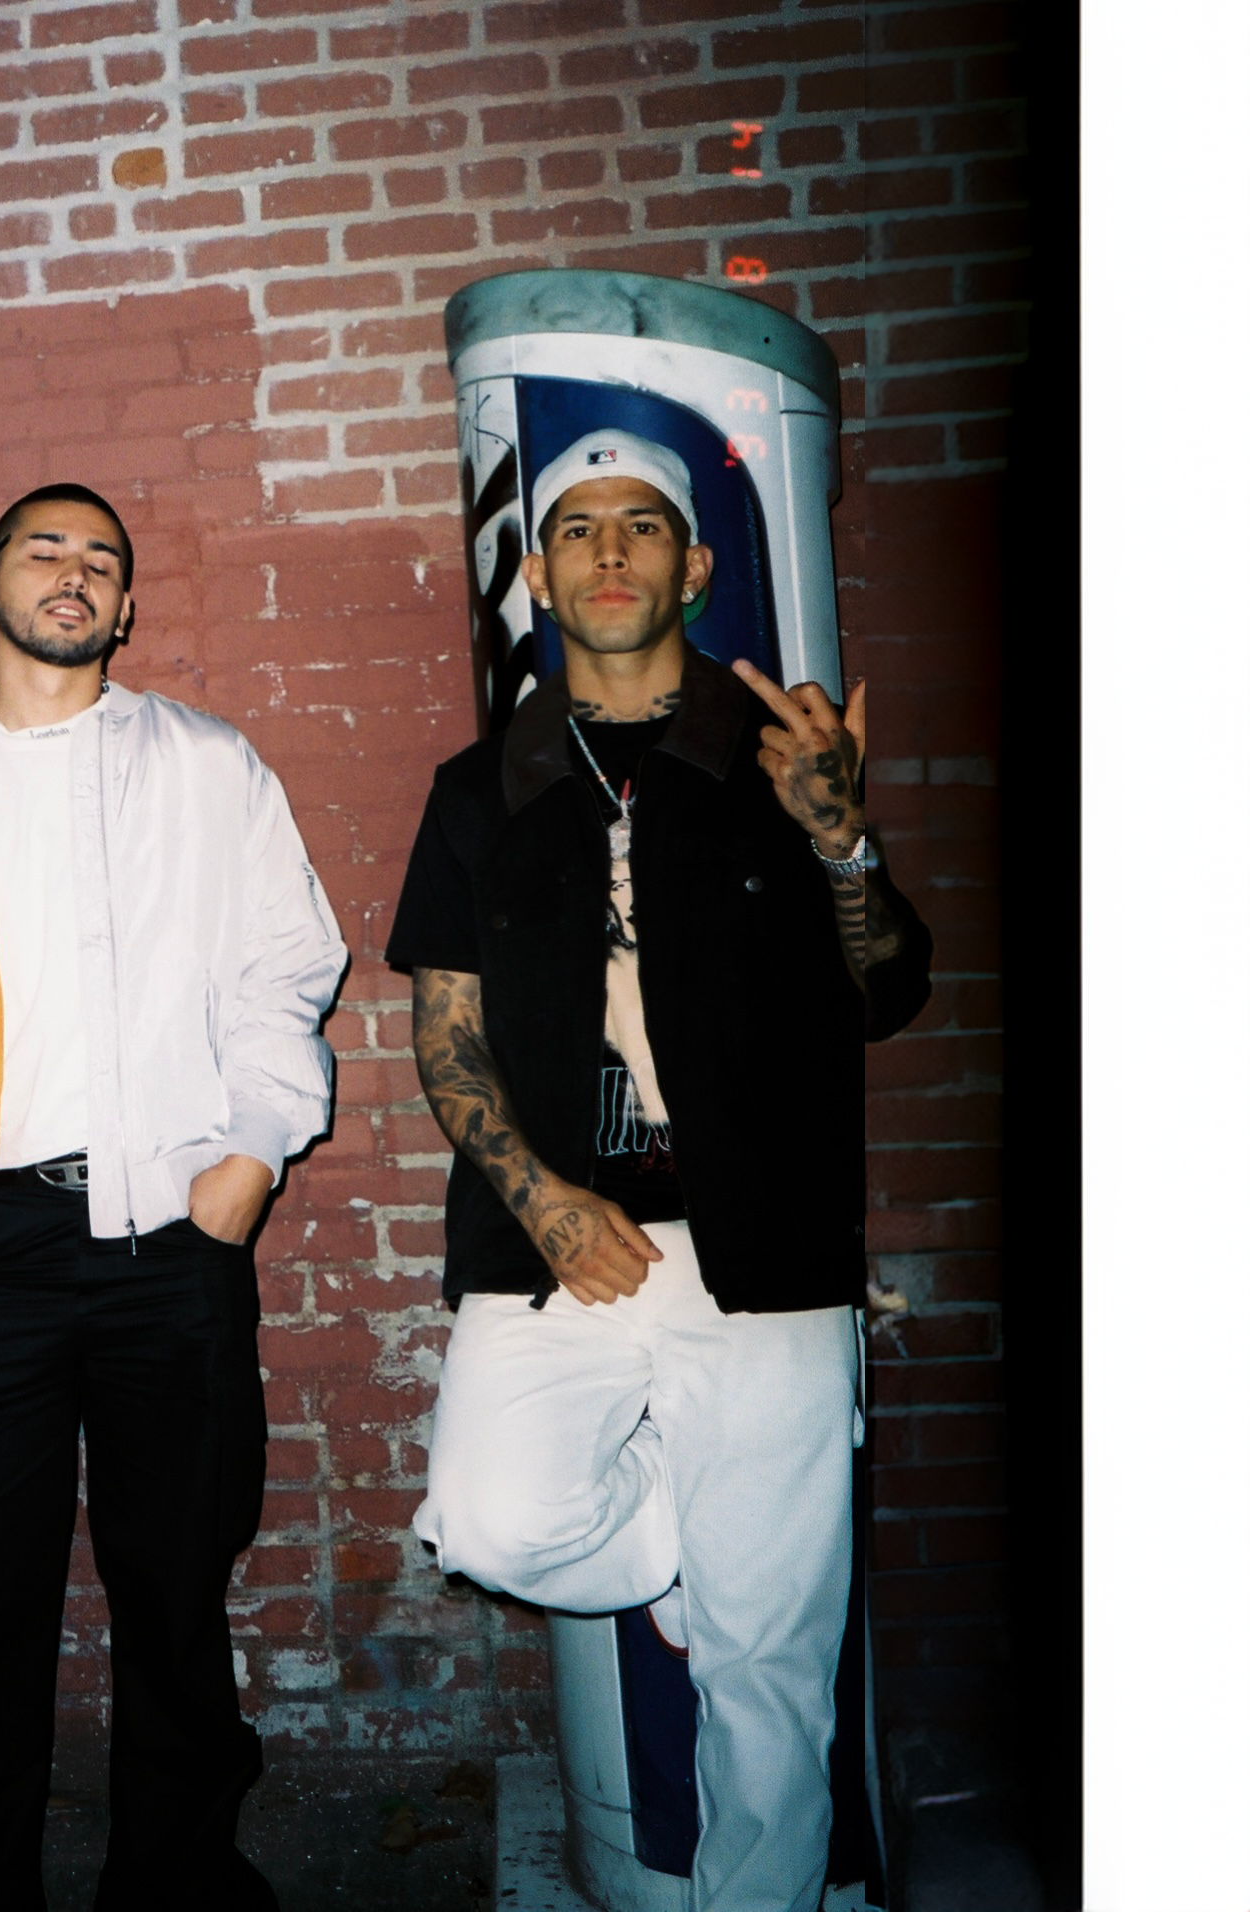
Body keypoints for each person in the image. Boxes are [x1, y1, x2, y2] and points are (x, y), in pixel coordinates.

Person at [385, 431, 931, 1912]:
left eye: (642, 525)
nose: (610, 550)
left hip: (765, 1246)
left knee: (771, 1660)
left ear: (692, 567)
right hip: (562, 1246)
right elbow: (448, 1038)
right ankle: (698, 1542)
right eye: (576, 527)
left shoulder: (779, 761)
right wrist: (548, 1202)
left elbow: (885, 988)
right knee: (491, 1519)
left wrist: (840, 839)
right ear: (538, 571)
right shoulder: (479, 789)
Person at [0, 484, 345, 1912]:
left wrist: (253, 1157)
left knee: (177, 1588)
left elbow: (286, 966)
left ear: (127, 605)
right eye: (43, 550)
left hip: (178, 1228)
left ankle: (178, 1885)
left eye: (101, 559)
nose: (73, 572)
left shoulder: (208, 766)